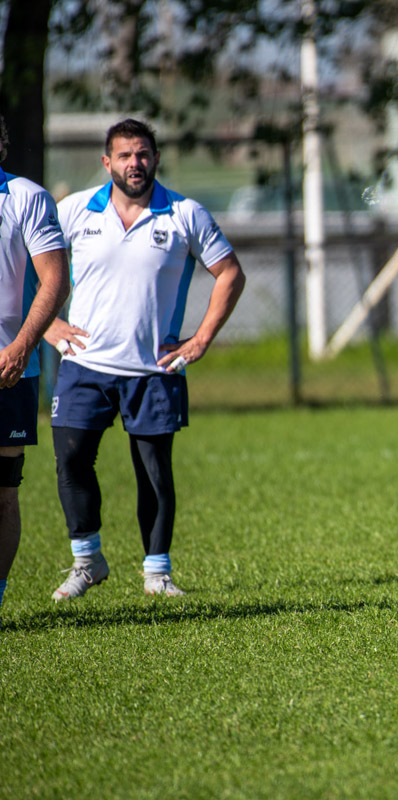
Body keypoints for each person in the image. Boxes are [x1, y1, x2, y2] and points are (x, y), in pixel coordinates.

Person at [45, 118, 245, 600]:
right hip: (84, 366)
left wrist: (198, 341)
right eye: (125, 155)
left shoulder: (184, 213)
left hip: (155, 371)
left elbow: (230, 274)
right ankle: (87, 559)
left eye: (143, 154)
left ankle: (157, 573)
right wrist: (49, 327)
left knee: (154, 472)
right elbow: (34, 269)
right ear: (106, 162)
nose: (135, 163)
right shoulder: (74, 211)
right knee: (70, 460)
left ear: (156, 158)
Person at [0, 117, 71, 617]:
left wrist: (23, 346)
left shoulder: (24, 197)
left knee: (3, 494)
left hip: (8, 370)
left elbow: (54, 280)